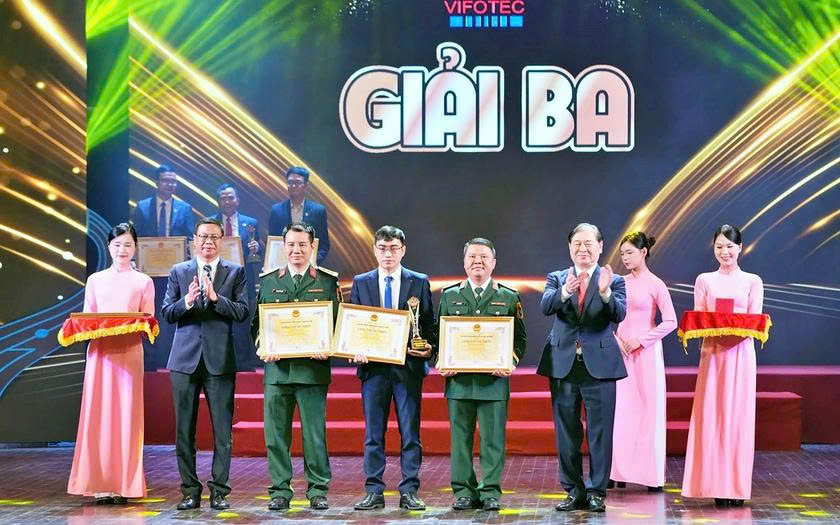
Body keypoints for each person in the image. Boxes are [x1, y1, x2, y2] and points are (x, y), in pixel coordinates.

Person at [251, 222, 341, 512]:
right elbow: (257, 326)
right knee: (276, 436)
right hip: (277, 372)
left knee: (314, 435)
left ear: (312, 247)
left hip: (313, 371)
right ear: (283, 247)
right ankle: (280, 490)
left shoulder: (327, 282)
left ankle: (318, 490)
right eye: (291, 244)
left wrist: (329, 346)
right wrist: (263, 346)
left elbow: (338, 325)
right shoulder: (268, 281)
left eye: (302, 245)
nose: (296, 250)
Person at [537, 223, 627, 513]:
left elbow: (619, 314)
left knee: (600, 432)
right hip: (563, 365)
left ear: (600, 246)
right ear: (569, 247)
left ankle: (597, 491)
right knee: (566, 432)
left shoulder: (614, 280)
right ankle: (573, 490)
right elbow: (546, 306)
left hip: (600, 366)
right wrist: (565, 291)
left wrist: (605, 293)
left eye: (588, 244)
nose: (583, 249)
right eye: (577, 244)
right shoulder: (557, 277)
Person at [161, 218, 249, 511]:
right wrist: (187, 301)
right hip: (184, 360)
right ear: (194, 240)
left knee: (222, 431)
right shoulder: (179, 271)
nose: (208, 242)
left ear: (222, 241)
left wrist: (215, 298)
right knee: (184, 431)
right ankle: (189, 491)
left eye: (214, 237)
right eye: (203, 237)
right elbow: (167, 313)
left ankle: (220, 491)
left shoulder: (235, 271)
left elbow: (242, 312)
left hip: (219, 360)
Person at [349, 226, 436, 512]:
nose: (388, 254)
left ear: (403, 250)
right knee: (373, 434)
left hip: (408, 368)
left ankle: (409, 490)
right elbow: (354, 324)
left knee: (410, 433)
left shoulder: (419, 281)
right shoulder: (361, 282)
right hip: (373, 370)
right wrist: (354, 348)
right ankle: (373, 491)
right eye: (383, 248)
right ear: (375, 250)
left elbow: (429, 324)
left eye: (394, 248)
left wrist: (429, 348)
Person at [67, 223, 154, 504]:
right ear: (108, 247)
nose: (122, 250)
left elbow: (149, 320)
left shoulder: (143, 281)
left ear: (135, 247)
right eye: (117, 245)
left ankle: (124, 485)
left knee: (127, 417)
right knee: (98, 415)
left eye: (128, 244)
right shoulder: (95, 280)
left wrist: (132, 325)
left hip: (129, 352)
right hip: (100, 355)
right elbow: (87, 317)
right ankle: (99, 485)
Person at [437, 238, 527, 512]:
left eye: (484, 257)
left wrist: (509, 362)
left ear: (493, 262)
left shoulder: (509, 296)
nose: (478, 261)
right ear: (464, 262)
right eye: (472, 256)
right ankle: (464, 491)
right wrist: (442, 359)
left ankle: (490, 492)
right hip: (459, 382)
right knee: (460, 441)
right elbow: (440, 335)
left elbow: (520, 339)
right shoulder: (449, 295)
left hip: (494, 382)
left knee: (493, 441)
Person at [681, 224, 764, 507]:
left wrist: (732, 328)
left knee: (738, 417)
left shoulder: (753, 281)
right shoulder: (704, 279)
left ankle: (736, 488)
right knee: (711, 416)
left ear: (740, 248)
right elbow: (699, 317)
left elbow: (755, 319)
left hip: (741, 356)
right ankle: (712, 484)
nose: (724, 252)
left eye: (729, 246)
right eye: (719, 247)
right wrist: (715, 327)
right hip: (713, 354)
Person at [609, 231, 676, 491]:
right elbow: (606, 316)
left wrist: (642, 340)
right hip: (621, 352)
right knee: (621, 411)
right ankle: (618, 472)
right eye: (622, 254)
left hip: (646, 354)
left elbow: (670, 321)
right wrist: (616, 339)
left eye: (630, 252)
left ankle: (651, 476)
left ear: (643, 252)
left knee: (649, 411)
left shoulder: (656, 284)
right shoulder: (618, 282)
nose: (625, 258)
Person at [210, 183, 263, 369]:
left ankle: (242, 360)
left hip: (242, 278)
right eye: (223, 198)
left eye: (231, 197)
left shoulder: (250, 223)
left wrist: (257, 248)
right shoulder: (210, 224)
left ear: (237, 200)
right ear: (218, 201)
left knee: (242, 319)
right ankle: (220, 360)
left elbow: (258, 252)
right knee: (218, 319)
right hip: (217, 278)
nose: (227, 201)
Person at [268, 166, 330, 265]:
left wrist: (313, 261)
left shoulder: (318, 211)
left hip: (309, 267)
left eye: (298, 182)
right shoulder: (277, 210)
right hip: (283, 266)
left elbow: (324, 245)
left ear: (306, 185)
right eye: (290, 182)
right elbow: (272, 241)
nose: (293, 186)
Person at [132, 165, 195, 239]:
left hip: (176, 246)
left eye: (173, 181)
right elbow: (137, 236)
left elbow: (189, 237)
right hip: (150, 246)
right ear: (156, 182)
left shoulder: (184, 208)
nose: (170, 184)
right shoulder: (142, 207)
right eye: (165, 181)